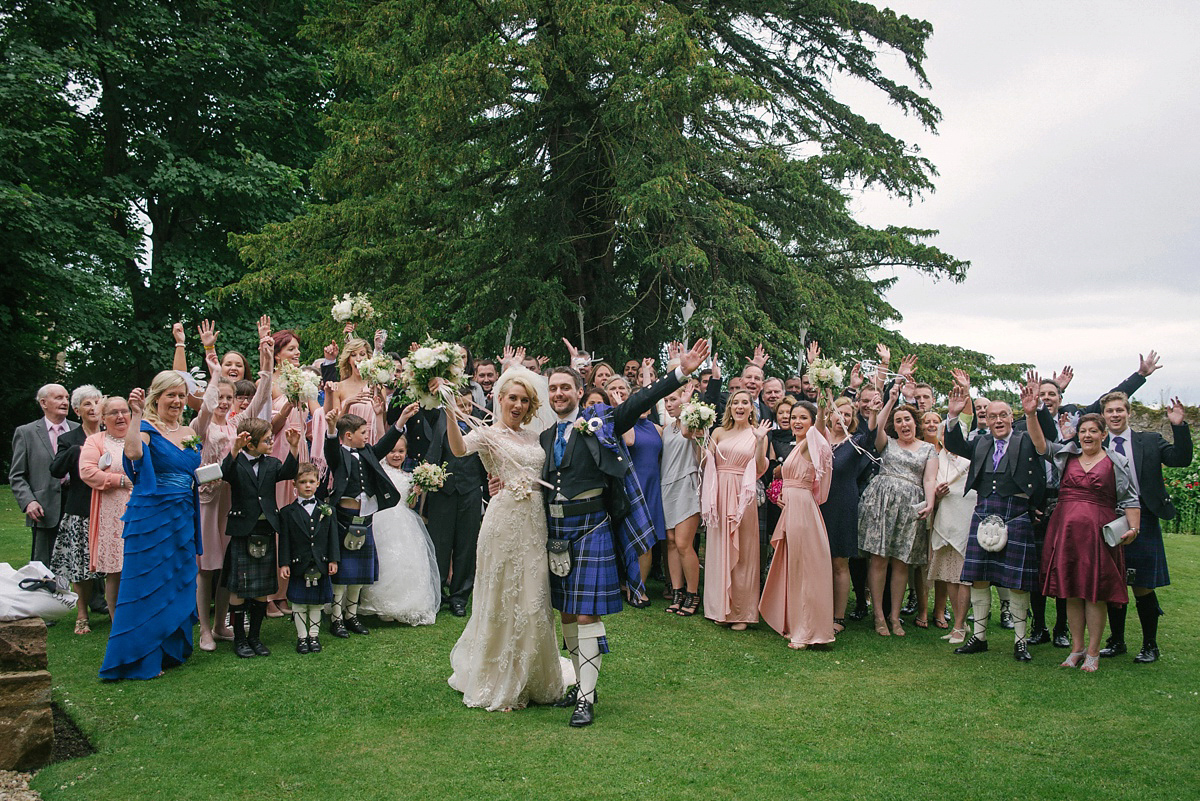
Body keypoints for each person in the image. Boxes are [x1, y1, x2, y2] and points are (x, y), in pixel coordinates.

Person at [541, 339, 709, 727]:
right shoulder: (547, 437)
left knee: (586, 615)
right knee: (566, 610)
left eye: (566, 387)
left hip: (592, 526)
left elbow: (636, 403)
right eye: (553, 388)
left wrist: (680, 372)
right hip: (557, 530)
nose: (559, 393)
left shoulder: (601, 421)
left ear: (579, 392)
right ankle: (584, 684)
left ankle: (586, 698)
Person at [443, 364, 566, 712]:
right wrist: (451, 412)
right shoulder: (487, 434)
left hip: (535, 523)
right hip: (502, 523)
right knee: (500, 598)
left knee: (533, 597)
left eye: (524, 400)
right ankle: (497, 678)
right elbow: (458, 449)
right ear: (499, 399)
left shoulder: (536, 437)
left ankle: (534, 675)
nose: (518, 405)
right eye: (512, 398)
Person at [99, 372, 203, 680]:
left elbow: (190, 469)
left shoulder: (187, 430)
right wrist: (135, 415)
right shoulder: (146, 427)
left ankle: (169, 647)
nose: (177, 401)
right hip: (152, 515)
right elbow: (132, 453)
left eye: (181, 395)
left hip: (183, 513)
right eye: (170, 395)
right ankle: (139, 657)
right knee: (147, 583)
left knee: (176, 579)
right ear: (156, 397)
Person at [1024, 405, 1140, 672]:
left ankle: (1093, 652)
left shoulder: (1116, 462)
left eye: (1093, 431)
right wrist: (1031, 415)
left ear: (1103, 435)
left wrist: (1133, 529)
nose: (1087, 435)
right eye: (1083, 431)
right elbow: (1040, 444)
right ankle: (1076, 649)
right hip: (1065, 532)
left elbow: (1131, 499)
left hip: (1098, 535)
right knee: (1071, 592)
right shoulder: (1066, 456)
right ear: (1077, 435)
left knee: (1094, 592)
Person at [943, 375, 1047, 662]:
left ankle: (1020, 640)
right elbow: (954, 445)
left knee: (1016, 582)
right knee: (978, 578)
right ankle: (979, 637)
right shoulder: (980, 443)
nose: (998, 420)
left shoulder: (1026, 439)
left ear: (1012, 417)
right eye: (992, 416)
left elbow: (1042, 446)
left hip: (1015, 514)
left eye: (1003, 415)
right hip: (984, 511)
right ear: (985, 420)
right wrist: (952, 416)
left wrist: (1032, 412)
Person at [1098, 392, 1192, 663]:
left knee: (1142, 584)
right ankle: (1116, 641)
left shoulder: (1149, 441)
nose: (1115, 415)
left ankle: (1150, 645)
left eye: (1119, 410)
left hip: (1144, 516)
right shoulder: (1097, 443)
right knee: (1113, 581)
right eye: (1110, 411)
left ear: (1128, 413)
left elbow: (1180, 459)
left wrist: (1178, 426)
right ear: (1104, 416)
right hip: (1107, 517)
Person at [323, 407, 411, 638]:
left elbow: (385, 442)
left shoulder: (369, 452)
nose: (366, 436)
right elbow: (330, 448)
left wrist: (401, 419)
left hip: (366, 518)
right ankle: (336, 618)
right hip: (344, 518)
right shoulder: (338, 454)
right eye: (363, 432)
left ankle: (351, 616)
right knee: (341, 575)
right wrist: (332, 428)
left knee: (359, 575)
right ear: (349, 435)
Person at [857, 383, 936, 637]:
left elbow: (929, 480)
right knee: (879, 559)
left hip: (910, 506)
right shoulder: (887, 443)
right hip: (882, 503)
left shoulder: (928, 449)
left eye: (908, 420)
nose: (904, 424)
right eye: (899, 420)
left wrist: (930, 502)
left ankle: (895, 616)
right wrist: (890, 401)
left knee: (902, 562)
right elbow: (876, 428)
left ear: (916, 423)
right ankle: (878, 615)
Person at [221, 418, 300, 658]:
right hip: (243, 531)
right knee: (238, 589)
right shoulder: (236, 464)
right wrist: (234, 450)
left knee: (261, 590)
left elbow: (288, 472)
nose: (271, 442)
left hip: (265, 532)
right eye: (266, 439)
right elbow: (224, 473)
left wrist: (294, 447)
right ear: (250, 442)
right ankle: (240, 640)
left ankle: (255, 637)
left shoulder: (271, 463)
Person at [759, 401, 835, 649]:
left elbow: (820, 426)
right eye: (793, 417)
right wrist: (784, 491)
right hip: (792, 507)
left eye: (803, 417)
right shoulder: (797, 446)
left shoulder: (812, 443)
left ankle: (807, 632)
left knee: (805, 569)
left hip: (802, 511)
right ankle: (796, 622)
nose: (797, 421)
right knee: (792, 566)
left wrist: (822, 401)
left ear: (812, 421)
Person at [702, 389, 771, 632]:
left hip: (743, 496)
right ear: (729, 408)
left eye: (745, 402)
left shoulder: (756, 434)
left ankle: (742, 611)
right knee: (720, 549)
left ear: (751, 408)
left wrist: (761, 440)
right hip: (719, 494)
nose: (740, 406)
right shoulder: (718, 432)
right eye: (735, 403)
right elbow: (705, 460)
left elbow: (761, 467)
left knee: (744, 554)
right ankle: (721, 608)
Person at [416, 385, 487, 617]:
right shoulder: (439, 420)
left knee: (467, 545)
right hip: (442, 491)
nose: (464, 409)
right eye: (459, 405)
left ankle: (459, 597)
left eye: (467, 405)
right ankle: (436, 594)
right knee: (439, 544)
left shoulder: (481, 425)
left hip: (470, 490)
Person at [359, 434, 441, 626]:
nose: (396, 455)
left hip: (405, 520)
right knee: (386, 559)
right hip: (384, 519)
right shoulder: (381, 471)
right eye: (392, 451)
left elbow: (410, 505)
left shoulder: (409, 476)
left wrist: (416, 493)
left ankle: (404, 602)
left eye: (401, 451)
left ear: (406, 453)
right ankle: (379, 602)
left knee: (407, 561)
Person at [48, 385, 104, 634]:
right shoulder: (69, 440)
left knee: (115, 565)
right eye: (87, 404)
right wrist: (77, 452)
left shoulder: (112, 433)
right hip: (81, 509)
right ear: (77, 410)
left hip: (110, 508)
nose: (93, 408)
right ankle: (82, 614)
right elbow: (56, 470)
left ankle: (116, 610)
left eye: (97, 402)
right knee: (81, 566)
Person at [818, 395, 876, 631]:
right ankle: (818, 609)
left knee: (840, 561)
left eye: (848, 414)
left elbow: (872, 432)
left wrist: (873, 412)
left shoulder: (856, 442)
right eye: (839, 412)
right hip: (818, 502)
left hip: (842, 503)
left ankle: (838, 617)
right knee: (819, 559)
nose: (843, 417)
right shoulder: (819, 439)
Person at [11, 384, 79, 565]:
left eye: (66, 398)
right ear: (43, 403)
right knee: (43, 567)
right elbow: (17, 475)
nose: (65, 402)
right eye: (58, 398)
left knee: (82, 563)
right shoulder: (26, 433)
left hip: (78, 504)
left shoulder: (80, 430)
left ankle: (87, 595)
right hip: (44, 507)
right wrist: (28, 501)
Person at [79, 396, 133, 624]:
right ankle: (117, 620)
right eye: (114, 413)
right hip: (112, 513)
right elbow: (87, 471)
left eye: (124, 411)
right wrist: (119, 481)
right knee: (117, 570)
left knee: (140, 566)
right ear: (103, 418)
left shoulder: (140, 437)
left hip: (141, 508)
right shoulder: (96, 441)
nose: (120, 416)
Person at [278, 463, 340, 654]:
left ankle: (314, 636)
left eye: (311, 481)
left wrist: (333, 560)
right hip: (298, 564)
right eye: (303, 482)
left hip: (320, 563)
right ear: (294, 484)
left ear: (318, 483)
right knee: (298, 603)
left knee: (317, 603)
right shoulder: (287, 512)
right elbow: (285, 540)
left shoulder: (327, 510)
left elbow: (333, 538)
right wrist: (284, 563)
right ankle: (301, 637)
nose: (307, 486)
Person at [928, 419, 974, 644]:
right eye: (943, 434)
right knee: (950, 577)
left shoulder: (971, 458)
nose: (947, 438)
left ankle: (959, 626)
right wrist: (937, 494)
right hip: (945, 520)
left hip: (966, 519)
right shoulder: (936, 459)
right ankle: (959, 622)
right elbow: (929, 489)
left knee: (963, 578)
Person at [661, 386, 703, 616]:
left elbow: (688, 434)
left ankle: (693, 592)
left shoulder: (693, 424)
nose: (668, 404)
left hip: (686, 483)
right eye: (666, 400)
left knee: (684, 542)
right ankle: (676, 591)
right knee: (670, 541)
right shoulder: (667, 429)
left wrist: (687, 404)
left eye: (673, 399)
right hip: (666, 485)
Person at [625, 397, 665, 608]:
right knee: (631, 540)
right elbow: (629, 442)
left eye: (645, 402)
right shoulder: (625, 426)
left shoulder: (658, 429)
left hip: (652, 487)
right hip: (632, 486)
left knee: (648, 541)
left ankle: (640, 588)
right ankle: (628, 585)